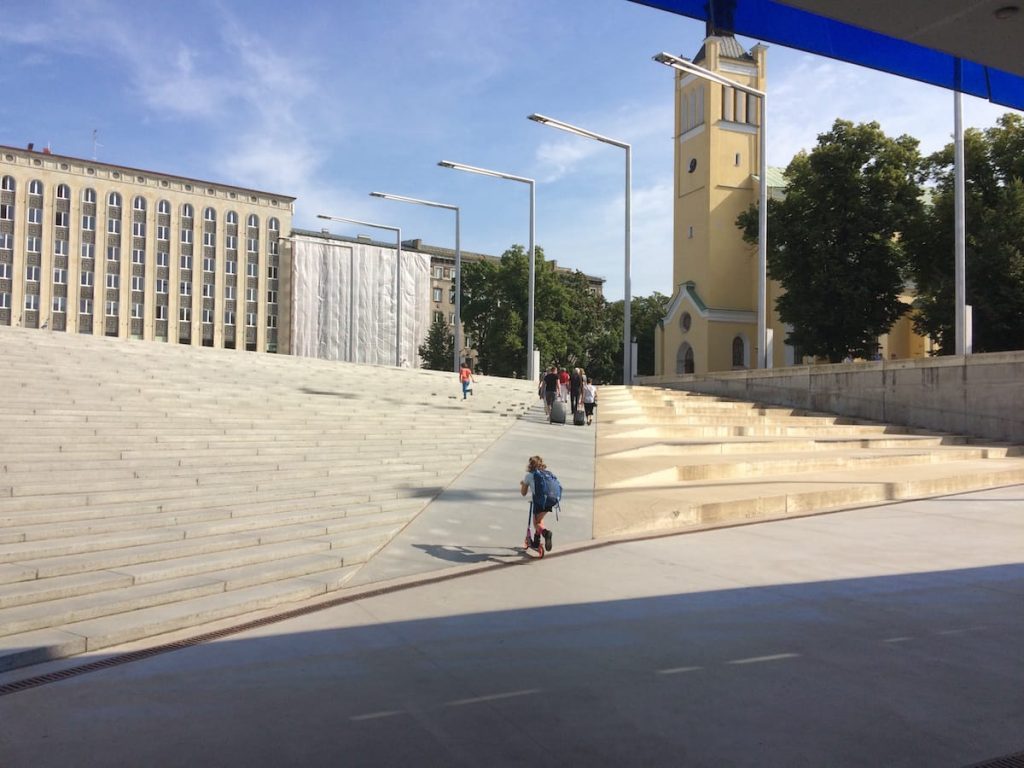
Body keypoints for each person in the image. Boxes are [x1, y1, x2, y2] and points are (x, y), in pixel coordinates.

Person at [520, 455, 555, 553]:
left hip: (540, 501)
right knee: (539, 520)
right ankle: (536, 541)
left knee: (536, 523)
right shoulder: (546, 473)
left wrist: (523, 484)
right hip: (551, 500)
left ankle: (546, 533)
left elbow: (523, 493)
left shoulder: (529, 476)